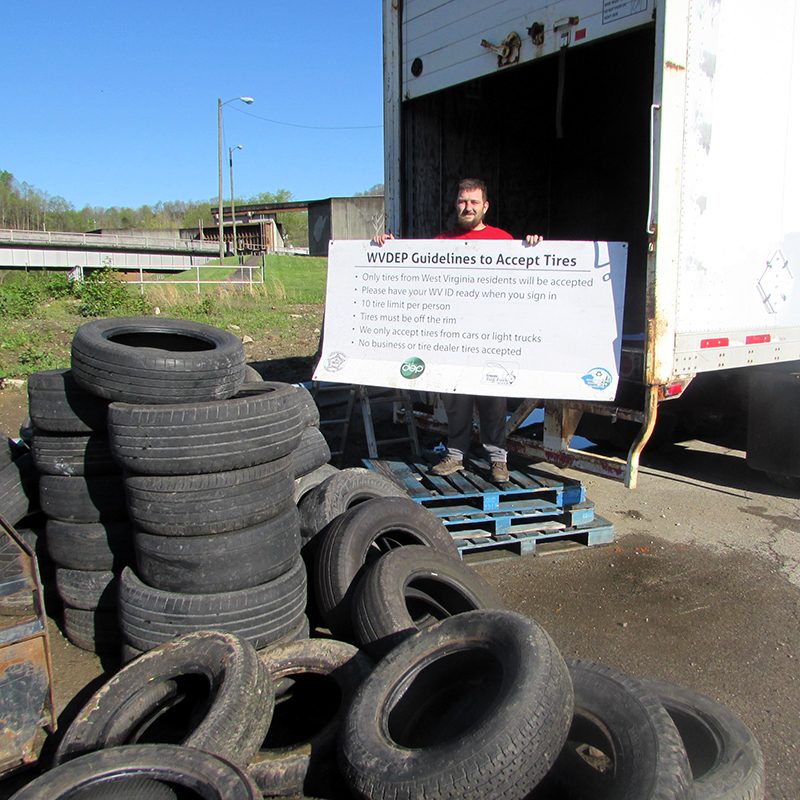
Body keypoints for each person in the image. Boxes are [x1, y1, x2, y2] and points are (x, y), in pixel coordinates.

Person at [374, 178, 542, 484]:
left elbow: (526, 280)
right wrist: (390, 248)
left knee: (493, 399)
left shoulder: (505, 241)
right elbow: (416, 270)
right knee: (456, 399)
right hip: (453, 339)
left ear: (485, 207)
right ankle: (455, 455)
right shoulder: (443, 241)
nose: (468, 207)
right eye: (463, 201)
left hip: (492, 337)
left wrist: (532, 248)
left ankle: (498, 460)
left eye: (474, 202)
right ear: (457, 204)